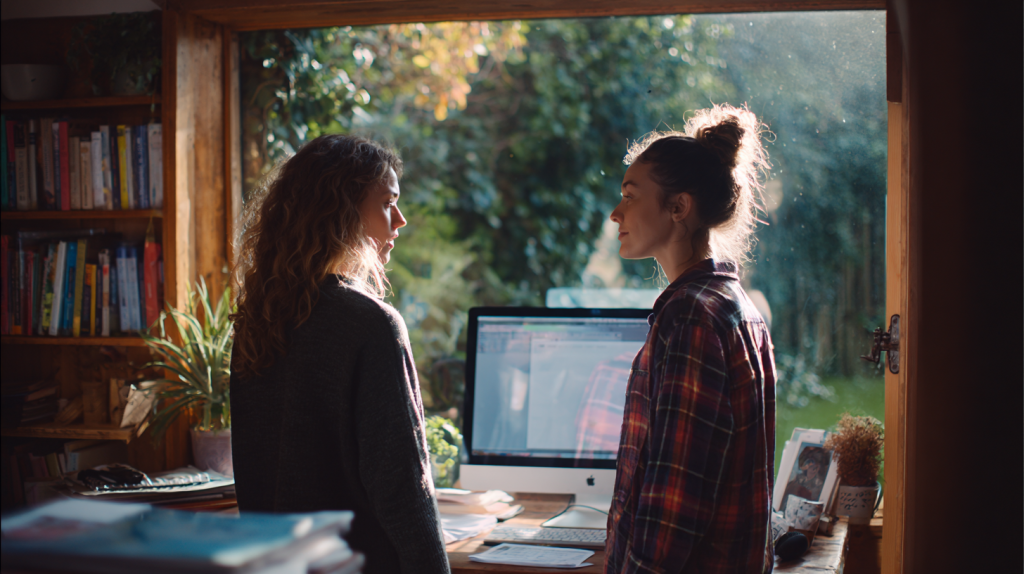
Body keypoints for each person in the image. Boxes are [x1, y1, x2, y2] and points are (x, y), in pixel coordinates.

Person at [229, 134, 450, 574]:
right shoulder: (370, 324)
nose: (400, 220)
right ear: (342, 208)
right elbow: (404, 491)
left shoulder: (259, 320)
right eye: (388, 202)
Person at [605, 104, 777, 574]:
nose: (616, 212)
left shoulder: (691, 316)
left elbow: (674, 501)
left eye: (631, 195)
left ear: (679, 207)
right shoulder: (737, 307)